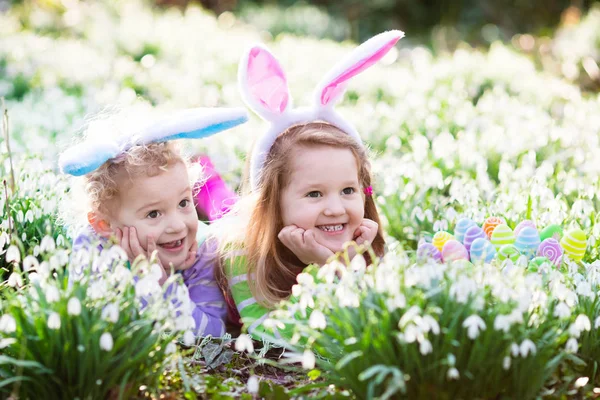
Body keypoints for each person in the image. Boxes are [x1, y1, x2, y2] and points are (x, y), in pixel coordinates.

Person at [214, 30, 403, 339]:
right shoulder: (242, 254)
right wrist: (327, 269)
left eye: (347, 190)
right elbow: (275, 337)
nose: (335, 208)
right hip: (218, 233)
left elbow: (371, 327)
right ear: (272, 201)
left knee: (218, 198)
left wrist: (346, 263)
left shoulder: (364, 241)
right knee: (217, 207)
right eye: (314, 194)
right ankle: (207, 173)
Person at [59, 105, 248, 337]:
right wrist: (150, 282)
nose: (178, 225)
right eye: (153, 214)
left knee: (234, 217)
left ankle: (211, 185)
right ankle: (210, 186)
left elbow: (213, 332)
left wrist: (165, 286)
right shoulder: (93, 244)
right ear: (104, 225)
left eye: (183, 203)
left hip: (222, 230)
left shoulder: (203, 250)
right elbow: (91, 325)